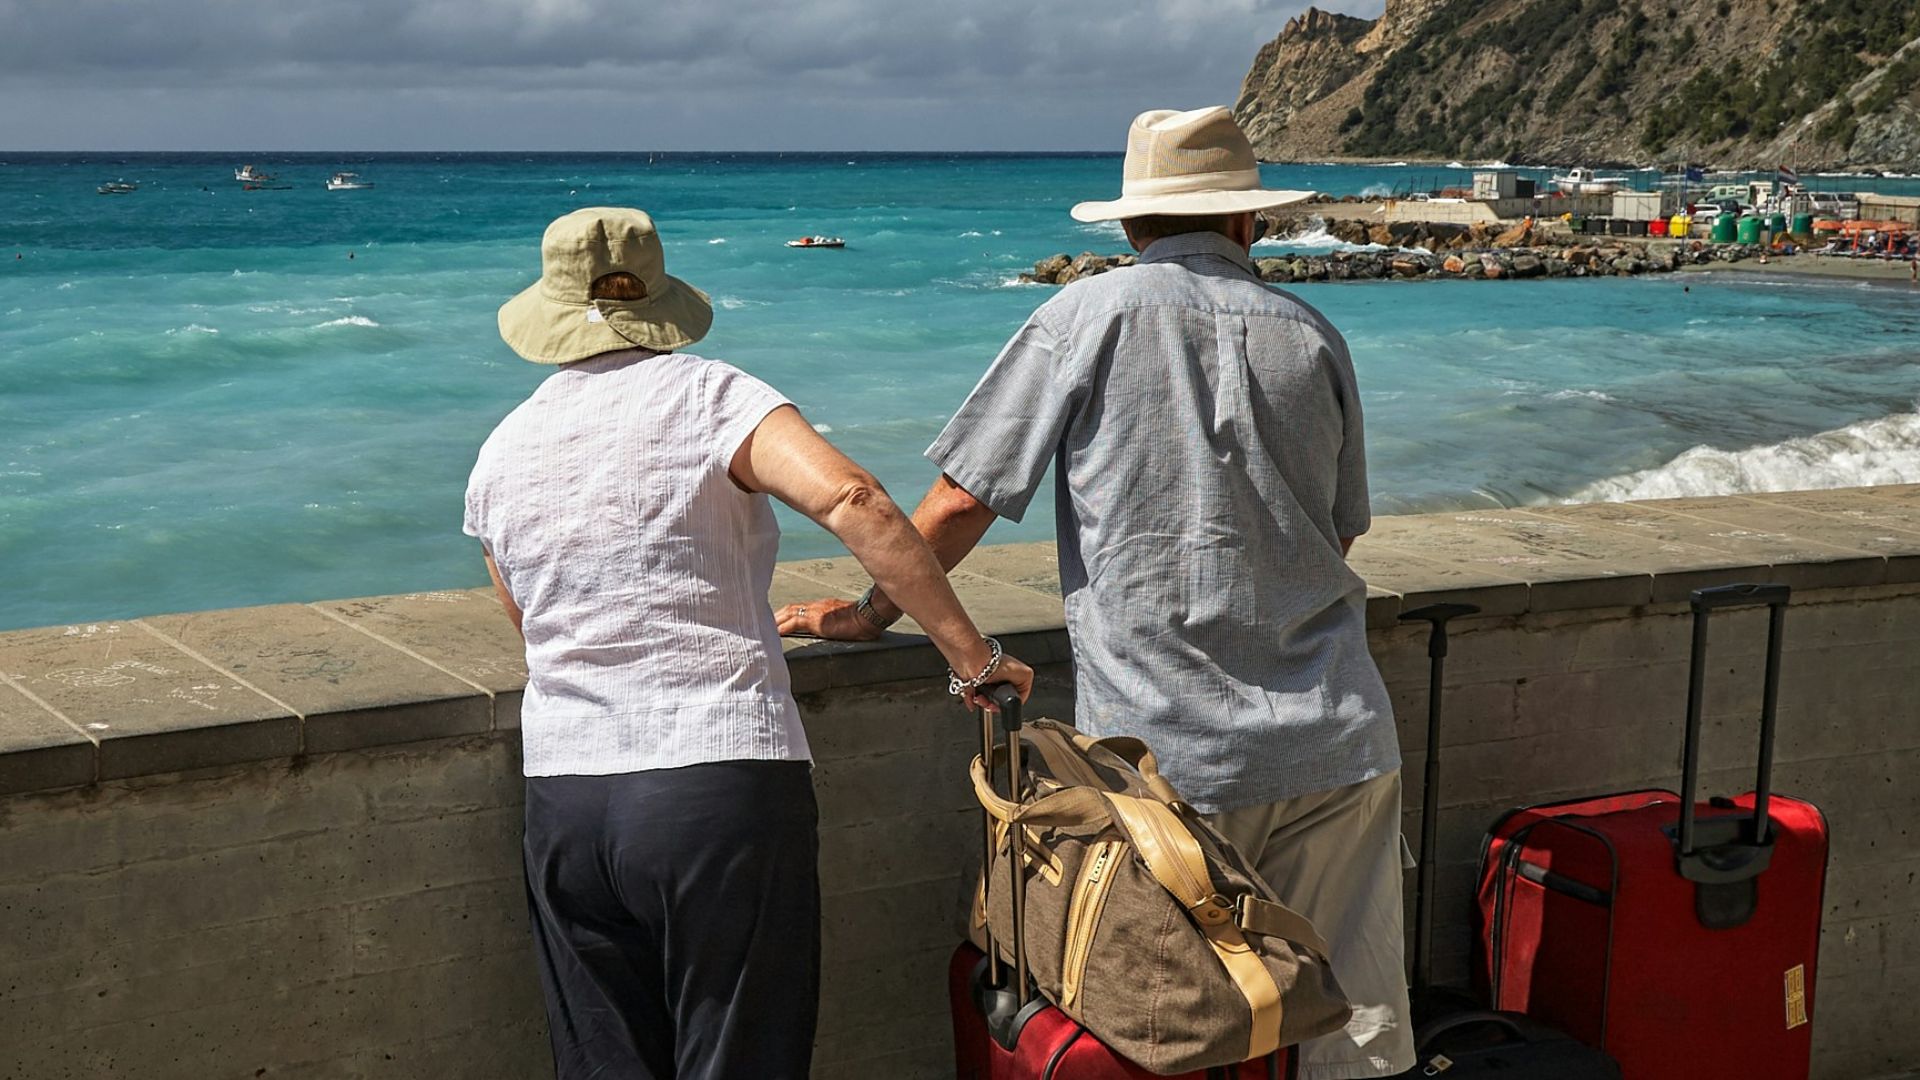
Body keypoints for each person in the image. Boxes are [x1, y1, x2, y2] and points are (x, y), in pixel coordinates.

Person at [781, 107, 1411, 1078]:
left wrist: (863, 613)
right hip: (1339, 736)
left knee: (1178, 1039)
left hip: (1172, 761)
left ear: (1130, 226)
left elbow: (956, 505)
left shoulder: (1082, 317)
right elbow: (1340, 531)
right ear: (1250, 223)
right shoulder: (1311, 333)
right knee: (1351, 1041)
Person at [464, 207, 1034, 1080]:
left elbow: (528, 616)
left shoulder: (502, 451)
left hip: (566, 800)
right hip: (714, 785)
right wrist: (973, 658)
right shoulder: (710, 396)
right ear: (660, 301)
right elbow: (854, 502)